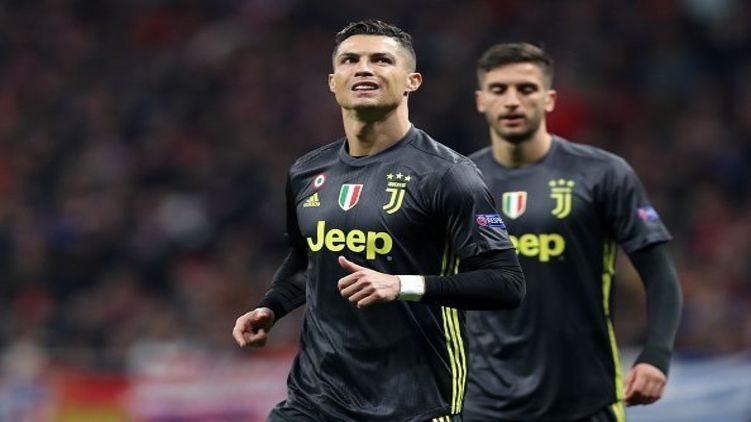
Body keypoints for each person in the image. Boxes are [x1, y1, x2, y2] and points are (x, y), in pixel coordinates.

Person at [232, 20, 526, 422]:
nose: (364, 69)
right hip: (314, 400)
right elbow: (307, 261)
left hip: (415, 404)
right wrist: (272, 306)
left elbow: (506, 282)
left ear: (412, 82)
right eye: (350, 60)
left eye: (381, 60)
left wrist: (402, 285)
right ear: (333, 82)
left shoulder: (447, 174)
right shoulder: (307, 172)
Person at [463, 43, 683, 422]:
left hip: (586, 399)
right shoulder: (459, 183)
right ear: (481, 101)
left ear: (549, 99)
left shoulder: (602, 174)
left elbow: (660, 273)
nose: (512, 101)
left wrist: (656, 356)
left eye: (526, 89)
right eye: (499, 89)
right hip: (483, 404)